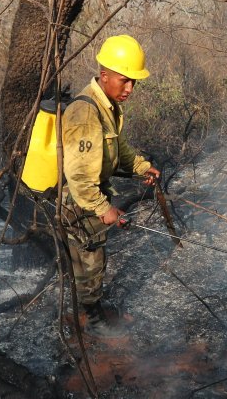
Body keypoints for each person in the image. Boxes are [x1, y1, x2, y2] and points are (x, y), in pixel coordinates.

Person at [60, 34, 160, 335]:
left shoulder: (108, 105)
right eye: (124, 80)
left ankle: (88, 307)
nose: (130, 88)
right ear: (104, 76)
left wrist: (141, 166)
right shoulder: (86, 113)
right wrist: (104, 208)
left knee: (90, 257)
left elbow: (118, 148)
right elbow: (78, 177)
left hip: (88, 196)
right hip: (78, 200)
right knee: (91, 260)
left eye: (134, 82)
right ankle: (90, 320)